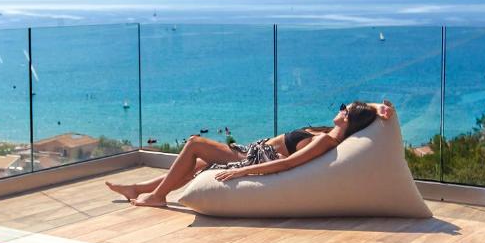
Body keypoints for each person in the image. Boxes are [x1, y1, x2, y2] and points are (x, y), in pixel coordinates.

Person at [107, 100, 394, 207]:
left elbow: (286, 165)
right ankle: (139, 188)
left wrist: (242, 171)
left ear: (347, 120)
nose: (340, 109)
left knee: (195, 143)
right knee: (199, 162)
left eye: (345, 110)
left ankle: (157, 196)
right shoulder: (328, 135)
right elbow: (360, 110)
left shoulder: (325, 143)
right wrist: (377, 108)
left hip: (254, 158)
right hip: (253, 150)